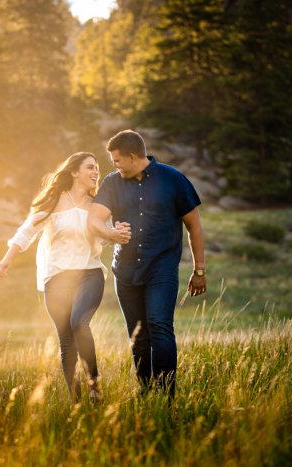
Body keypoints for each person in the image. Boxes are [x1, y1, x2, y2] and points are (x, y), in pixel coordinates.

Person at [0, 152, 131, 403]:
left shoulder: (97, 206)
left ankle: (94, 385)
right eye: (90, 167)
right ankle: (76, 402)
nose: (96, 172)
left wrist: (115, 233)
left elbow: (103, 236)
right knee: (66, 341)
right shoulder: (53, 202)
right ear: (74, 172)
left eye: (97, 168)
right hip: (56, 277)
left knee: (80, 323)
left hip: (89, 274)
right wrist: (8, 256)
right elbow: (28, 230)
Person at [87, 130, 207, 400]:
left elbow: (194, 227)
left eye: (116, 160)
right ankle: (145, 392)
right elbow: (94, 219)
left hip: (161, 268)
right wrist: (110, 234)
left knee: (159, 325)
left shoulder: (173, 179)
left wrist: (199, 270)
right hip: (125, 271)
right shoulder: (113, 182)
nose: (114, 166)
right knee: (138, 335)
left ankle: (166, 397)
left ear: (132, 156)